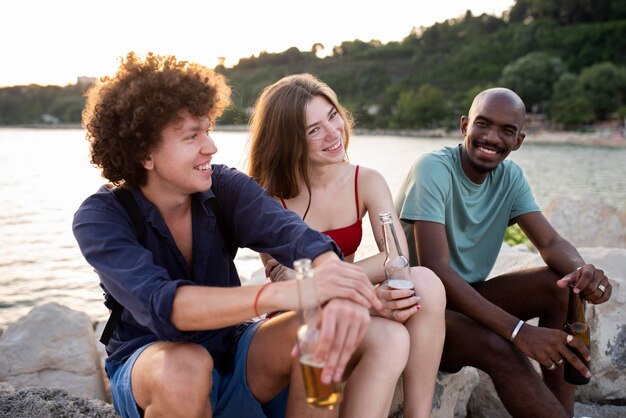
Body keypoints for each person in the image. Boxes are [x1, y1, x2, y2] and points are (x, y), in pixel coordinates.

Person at [73, 52, 410, 418]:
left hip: (235, 349)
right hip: (153, 363)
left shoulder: (224, 186)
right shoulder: (101, 218)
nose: (210, 147)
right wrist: (289, 292)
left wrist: (334, 277)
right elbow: (165, 306)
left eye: (208, 130)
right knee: (184, 367)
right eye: (191, 137)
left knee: (323, 323)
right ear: (144, 153)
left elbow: (291, 233)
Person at [395, 87, 613, 418]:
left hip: (464, 302)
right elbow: (436, 269)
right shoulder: (432, 170)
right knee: (501, 346)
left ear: (519, 141)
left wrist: (585, 273)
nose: (492, 137)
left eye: (506, 131)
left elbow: (551, 244)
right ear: (464, 125)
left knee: (561, 286)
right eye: (483, 124)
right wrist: (517, 331)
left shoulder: (510, 177)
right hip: (419, 313)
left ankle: (561, 411)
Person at [247, 73, 446, 418]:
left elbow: (398, 254)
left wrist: (351, 288)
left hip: (343, 299)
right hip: (300, 317)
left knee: (426, 282)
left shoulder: (364, 181)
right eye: (313, 130)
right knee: (388, 333)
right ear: (288, 140)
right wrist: (365, 296)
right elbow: (290, 283)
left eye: (333, 116)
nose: (333, 133)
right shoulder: (266, 198)